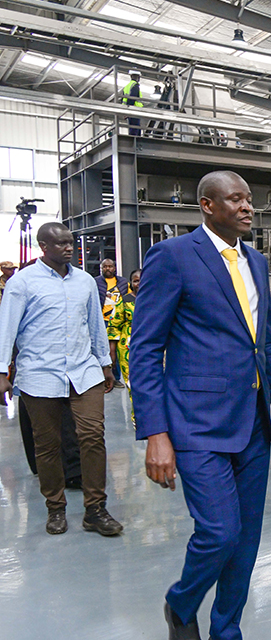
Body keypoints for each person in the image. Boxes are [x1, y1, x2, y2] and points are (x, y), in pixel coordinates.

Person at [130, 170, 271, 640]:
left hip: (251, 424)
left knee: (246, 544)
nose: (248, 207)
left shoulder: (257, 263)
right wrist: (155, 434)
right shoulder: (173, 257)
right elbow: (143, 350)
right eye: (236, 200)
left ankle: (227, 630)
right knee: (219, 533)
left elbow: (263, 345)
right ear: (207, 206)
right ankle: (181, 603)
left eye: (249, 199)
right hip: (195, 425)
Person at [0, 222, 122, 537]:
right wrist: (2, 372)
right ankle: (55, 508)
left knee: (93, 436)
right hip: (39, 374)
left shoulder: (84, 281)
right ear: (43, 246)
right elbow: (7, 329)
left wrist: (106, 364)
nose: (69, 248)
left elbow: (95, 324)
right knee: (47, 444)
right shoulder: (22, 283)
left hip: (84, 371)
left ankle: (95, 509)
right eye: (61, 244)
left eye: (71, 243)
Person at [108, 269, 141, 426]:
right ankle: (138, 419)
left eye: (142, 279)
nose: (139, 283)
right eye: (135, 280)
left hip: (156, 349)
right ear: (131, 283)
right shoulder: (125, 301)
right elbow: (114, 326)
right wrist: (112, 352)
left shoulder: (157, 298)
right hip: (128, 349)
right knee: (133, 385)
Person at [97, 258, 126, 388]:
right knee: (103, 350)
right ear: (101, 268)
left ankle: (117, 378)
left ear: (115, 268)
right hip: (103, 320)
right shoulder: (96, 282)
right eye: (105, 266)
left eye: (110, 266)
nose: (107, 269)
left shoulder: (123, 282)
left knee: (118, 351)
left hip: (119, 321)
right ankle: (104, 378)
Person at [122, 70, 143, 136]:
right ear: (137, 77)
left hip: (128, 110)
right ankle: (135, 142)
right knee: (135, 130)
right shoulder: (135, 85)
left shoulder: (126, 87)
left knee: (132, 128)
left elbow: (123, 99)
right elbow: (132, 97)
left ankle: (134, 141)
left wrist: (126, 112)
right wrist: (129, 109)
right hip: (134, 110)